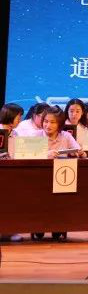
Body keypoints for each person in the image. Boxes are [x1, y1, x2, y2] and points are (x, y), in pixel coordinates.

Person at [33, 106, 85, 241]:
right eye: (45, 121)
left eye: (52, 122)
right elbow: (26, 156)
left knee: (62, 199)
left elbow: (78, 150)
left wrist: (79, 153)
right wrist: (45, 155)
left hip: (61, 177)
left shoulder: (66, 136)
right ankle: (38, 227)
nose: (48, 125)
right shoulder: (35, 136)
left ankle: (59, 226)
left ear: (60, 124)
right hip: (39, 178)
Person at [0, 103, 24, 242]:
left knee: (12, 202)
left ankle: (10, 231)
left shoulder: (15, 134)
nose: (20, 120)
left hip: (12, 172)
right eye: (18, 117)